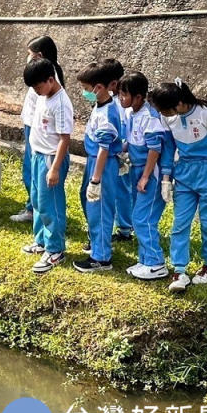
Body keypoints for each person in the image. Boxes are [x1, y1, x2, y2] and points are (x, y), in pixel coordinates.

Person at [149, 80, 207, 293]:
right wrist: (166, 177)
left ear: (178, 103)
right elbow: (168, 148)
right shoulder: (169, 118)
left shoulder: (205, 113)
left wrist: (204, 153)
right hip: (183, 172)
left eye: (164, 110)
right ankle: (179, 269)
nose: (163, 115)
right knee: (180, 222)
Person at [118, 72, 174, 281]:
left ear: (139, 97)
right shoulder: (132, 113)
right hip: (136, 168)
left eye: (125, 94)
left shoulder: (150, 117)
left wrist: (145, 177)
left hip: (150, 173)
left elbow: (154, 149)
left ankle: (156, 263)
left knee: (143, 218)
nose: (121, 98)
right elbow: (132, 140)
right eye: (120, 94)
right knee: (138, 216)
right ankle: (145, 260)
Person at [19, 59, 73, 274]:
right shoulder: (44, 95)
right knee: (37, 200)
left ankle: (55, 249)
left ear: (51, 80)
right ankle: (41, 241)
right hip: (38, 155)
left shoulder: (60, 103)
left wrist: (55, 168)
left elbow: (64, 139)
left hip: (51, 159)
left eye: (38, 87)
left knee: (51, 205)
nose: (36, 91)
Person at [74, 62, 124, 273]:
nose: (85, 93)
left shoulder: (108, 113)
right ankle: (97, 243)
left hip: (102, 164)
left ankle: (101, 258)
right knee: (89, 203)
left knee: (100, 208)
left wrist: (95, 179)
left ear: (100, 88)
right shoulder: (100, 105)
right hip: (94, 160)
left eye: (87, 89)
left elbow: (104, 149)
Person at [11, 36, 65, 224]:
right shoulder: (40, 76)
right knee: (32, 172)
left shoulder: (48, 79)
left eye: (30, 55)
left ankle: (34, 210)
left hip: (39, 131)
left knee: (34, 175)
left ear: (39, 55)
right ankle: (33, 207)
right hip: (33, 128)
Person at [103, 58, 134, 241]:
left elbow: (127, 128)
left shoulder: (121, 102)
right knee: (118, 189)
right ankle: (123, 225)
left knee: (122, 190)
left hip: (122, 152)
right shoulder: (114, 100)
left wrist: (123, 148)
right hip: (117, 151)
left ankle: (124, 228)